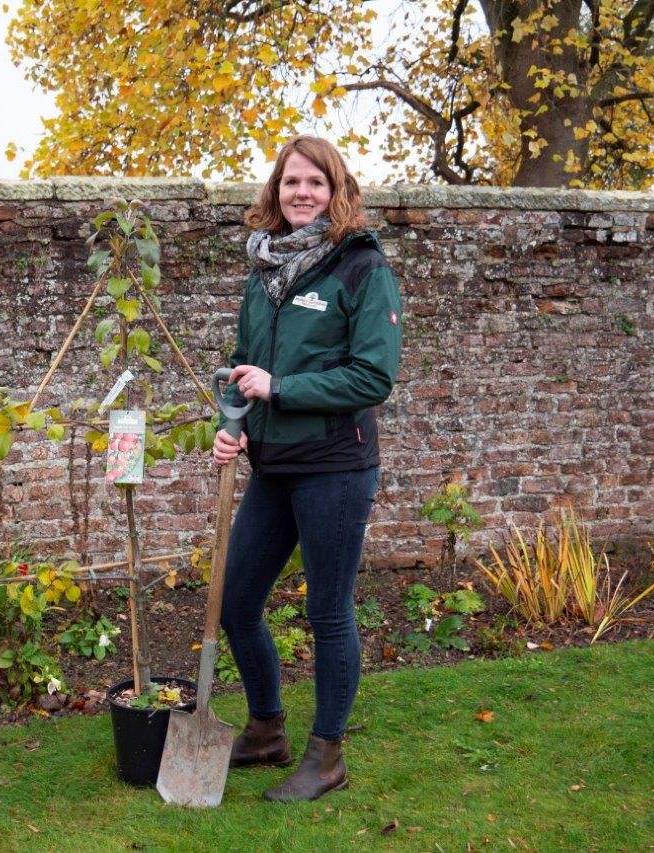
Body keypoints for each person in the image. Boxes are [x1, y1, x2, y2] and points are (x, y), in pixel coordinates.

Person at [214, 135, 402, 802]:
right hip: (273, 465)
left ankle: (327, 756)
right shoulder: (262, 271)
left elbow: (373, 375)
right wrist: (231, 424)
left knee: (327, 611)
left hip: (334, 464)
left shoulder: (361, 266)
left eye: (316, 183)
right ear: (276, 189)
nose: (302, 193)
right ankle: (266, 728)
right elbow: (243, 365)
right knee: (235, 602)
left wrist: (282, 388)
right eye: (291, 181)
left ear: (336, 191)